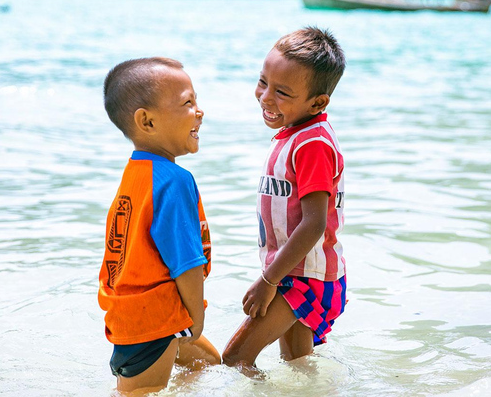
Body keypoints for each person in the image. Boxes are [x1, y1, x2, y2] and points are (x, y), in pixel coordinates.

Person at [222, 27, 347, 375]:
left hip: (302, 277)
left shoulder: (313, 144)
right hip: (295, 273)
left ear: (318, 103)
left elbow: (314, 223)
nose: (265, 97)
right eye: (263, 82)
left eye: (282, 92)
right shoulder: (295, 134)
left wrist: (268, 281)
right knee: (297, 365)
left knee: (234, 359)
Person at [98, 57, 220, 394]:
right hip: (152, 321)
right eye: (187, 102)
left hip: (133, 311)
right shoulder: (175, 181)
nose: (200, 111)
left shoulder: (137, 172)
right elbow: (187, 262)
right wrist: (196, 318)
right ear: (146, 121)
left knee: (208, 364)